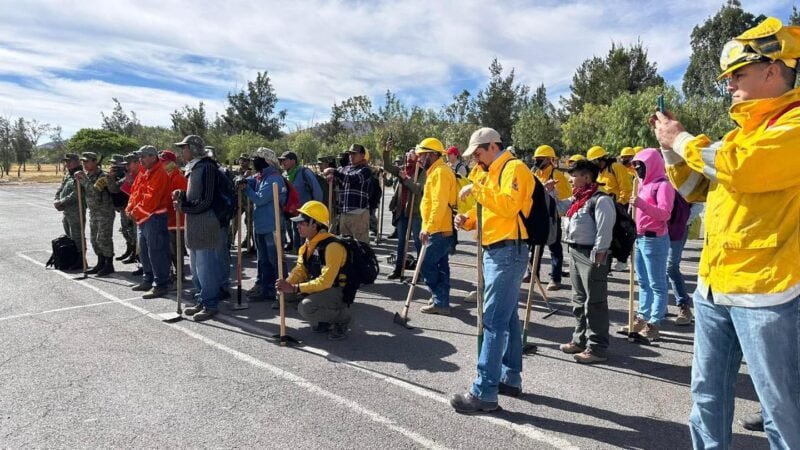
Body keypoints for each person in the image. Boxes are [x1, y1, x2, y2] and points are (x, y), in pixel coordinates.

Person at [652, 17, 800, 449]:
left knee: (781, 411)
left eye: (737, 74)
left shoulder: (792, 128)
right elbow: (698, 187)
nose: (729, 84)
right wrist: (669, 148)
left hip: (767, 292)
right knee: (706, 399)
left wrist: (681, 139)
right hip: (716, 286)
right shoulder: (740, 134)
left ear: (772, 70)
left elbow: (741, 168)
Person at [451, 127, 534, 413]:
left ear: (491, 146)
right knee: (507, 317)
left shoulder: (515, 168)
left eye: (477, 153)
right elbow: (490, 210)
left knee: (494, 321)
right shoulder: (491, 173)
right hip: (497, 249)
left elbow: (509, 207)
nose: (475, 159)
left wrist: (477, 188)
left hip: (508, 250)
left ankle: (485, 391)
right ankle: (510, 378)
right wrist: (469, 220)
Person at [557, 159, 615, 363]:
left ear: (587, 177)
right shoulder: (577, 199)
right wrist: (549, 192)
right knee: (579, 299)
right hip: (574, 252)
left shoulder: (600, 200)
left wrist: (600, 254)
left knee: (595, 302)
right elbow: (558, 207)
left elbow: (604, 228)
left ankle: (597, 348)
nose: (570, 179)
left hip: (592, 255)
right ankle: (579, 339)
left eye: (574, 175)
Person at [276, 201, 351, 341]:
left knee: (306, 307)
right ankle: (324, 321)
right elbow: (301, 270)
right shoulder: (308, 244)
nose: (297, 226)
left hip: (336, 290)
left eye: (302, 223)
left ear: (314, 225)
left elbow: (326, 282)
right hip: (321, 287)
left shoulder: (332, 247)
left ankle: (342, 318)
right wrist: (286, 283)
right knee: (283, 295)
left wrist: (294, 288)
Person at [623, 148, 675, 341]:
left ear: (651, 164)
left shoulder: (663, 186)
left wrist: (641, 205)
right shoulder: (642, 185)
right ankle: (643, 317)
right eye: (635, 166)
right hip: (640, 237)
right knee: (643, 282)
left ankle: (654, 323)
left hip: (655, 239)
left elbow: (664, 214)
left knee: (657, 284)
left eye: (640, 165)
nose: (637, 169)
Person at [173, 135, 222, 321]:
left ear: (193, 149)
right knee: (195, 266)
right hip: (193, 222)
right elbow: (194, 196)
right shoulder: (193, 167)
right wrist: (182, 195)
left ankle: (210, 303)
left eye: (184, 148)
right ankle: (202, 299)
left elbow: (207, 200)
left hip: (206, 222)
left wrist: (184, 207)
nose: (182, 151)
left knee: (205, 266)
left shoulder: (208, 167)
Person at [414, 137, 457, 315]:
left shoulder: (440, 172)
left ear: (432, 154)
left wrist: (428, 228)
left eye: (422, 155)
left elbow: (439, 204)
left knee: (425, 263)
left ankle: (439, 298)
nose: (419, 158)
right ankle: (441, 301)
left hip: (438, 229)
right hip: (441, 228)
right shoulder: (436, 171)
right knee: (441, 265)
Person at [240, 147, 287, 308]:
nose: (254, 162)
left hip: (272, 227)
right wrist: (243, 181)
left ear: (266, 161)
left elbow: (260, 199)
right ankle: (267, 289)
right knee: (263, 260)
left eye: (257, 159)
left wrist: (246, 189)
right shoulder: (261, 176)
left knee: (276, 261)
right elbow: (252, 181)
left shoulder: (274, 178)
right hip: (261, 226)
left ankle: (282, 293)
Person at [126, 145, 172, 299]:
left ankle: (160, 284)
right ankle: (148, 279)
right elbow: (134, 192)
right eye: (140, 157)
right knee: (144, 251)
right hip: (143, 218)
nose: (141, 159)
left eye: (144, 156)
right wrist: (129, 208)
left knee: (156, 252)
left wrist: (135, 212)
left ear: (153, 157)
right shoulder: (143, 173)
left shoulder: (160, 174)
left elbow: (151, 199)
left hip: (155, 218)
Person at [530, 144, 571, 291]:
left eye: (540, 159)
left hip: (552, 216)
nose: (537, 161)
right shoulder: (534, 174)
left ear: (549, 159)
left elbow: (566, 198)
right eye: (536, 159)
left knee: (554, 247)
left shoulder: (558, 176)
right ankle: (533, 274)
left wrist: (557, 215)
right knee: (535, 246)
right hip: (537, 215)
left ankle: (556, 278)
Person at [587, 145, 633, 271]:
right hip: (603, 206)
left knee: (621, 234)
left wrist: (620, 204)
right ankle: (605, 264)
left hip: (618, 205)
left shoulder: (615, 167)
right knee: (606, 236)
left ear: (599, 159)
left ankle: (622, 259)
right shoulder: (598, 173)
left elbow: (626, 188)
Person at [382, 146, 424, 280]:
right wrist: (387, 151)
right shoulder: (402, 169)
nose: (409, 156)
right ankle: (398, 269)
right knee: (401, 242)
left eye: (412, 154)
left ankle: (420, 272)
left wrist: (405, 179)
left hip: (416, 212)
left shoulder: (422, 171)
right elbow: (388, 166)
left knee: (418, 242)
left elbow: (417, 190)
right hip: (402, 211)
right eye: (408, 154)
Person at [73, 152, 116, 276]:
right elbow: (81, 193)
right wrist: (78, 181)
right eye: (83, 162)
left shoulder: (103, 176)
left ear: (95, 162)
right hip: (93, 212)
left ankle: (109, 263)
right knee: (94, 240)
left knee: (103, 239)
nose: (84, 164)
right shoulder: (87, 176)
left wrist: (84, 180)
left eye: (87, 161)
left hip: (105, 211)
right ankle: (100, 262)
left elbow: (94, 192)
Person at [324, 144, 372, 243]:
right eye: (350, 153)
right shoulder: (343, 169)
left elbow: (351, 179)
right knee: (346, 247)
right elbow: (338, 181)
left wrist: (334, 171)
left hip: (359, 213)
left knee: (362, 247)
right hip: (344, 213)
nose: (351, 156)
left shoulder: (365, 170)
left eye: (354, 153)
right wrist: (331, 179)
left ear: (362, 155)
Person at [280, 151, 323, 250]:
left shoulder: (304, 172)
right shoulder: (284, 175)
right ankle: (298, 260)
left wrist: (315, 212)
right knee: (296, 238)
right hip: (291, 213)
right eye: (281, 160)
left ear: (293, 161)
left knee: (306, 241)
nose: (282, 163)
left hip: (306, 213)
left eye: (284, 160)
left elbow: (317, 191)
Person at [53, 153, 85, 269]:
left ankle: (81, 260)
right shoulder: (68, 175)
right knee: (69, 235)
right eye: (66, 162)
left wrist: (62, 202)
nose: (67, 164)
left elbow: (77, 193)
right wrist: (56, 200)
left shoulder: (80, 175)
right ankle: (72, 257)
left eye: (69, 161)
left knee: (77, 236)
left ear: (77, 162)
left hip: (76, 210)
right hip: (66, 211)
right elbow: (60, 189)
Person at [159, 150, 187, 281]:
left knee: (176, 250)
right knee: (169, 250)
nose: (163, 165)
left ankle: (180, 275)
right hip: (167, 218)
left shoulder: (178, 177)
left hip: (177, 219)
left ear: (172, 163)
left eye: (165, 162)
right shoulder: (166, 176)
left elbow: (180, 199)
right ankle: (173, 273)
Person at [666, 192, 693, 326]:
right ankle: (659, 305)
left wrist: (682, 219)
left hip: (678, 227)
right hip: (658, 226)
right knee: (658, 267)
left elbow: (698, 202)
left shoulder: (684, 173)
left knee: (671, 267)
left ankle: (684, 305)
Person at [118, 153, 141, 265]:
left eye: (128, 164)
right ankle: (135, 256)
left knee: (140, 238)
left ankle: (140, 259)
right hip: (130, 210)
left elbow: (139, 194)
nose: (126, 167)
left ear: (137, 162)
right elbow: (114, 189)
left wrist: (131, 182)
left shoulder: (142, 174)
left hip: (141, 212)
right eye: (125, 165)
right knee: (131, 234)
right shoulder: (130, 175)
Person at [230, 154, 255, 254]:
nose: (243, 162)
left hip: (249, 201)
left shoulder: (253, 172)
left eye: (245, 160)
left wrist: (249, 176)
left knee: (249, 223)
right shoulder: (235, 172)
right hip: (238, 201)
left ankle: (249, 243)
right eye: (241, 160)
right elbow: (233, 183)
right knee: (234, 222)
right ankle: (230, 241)